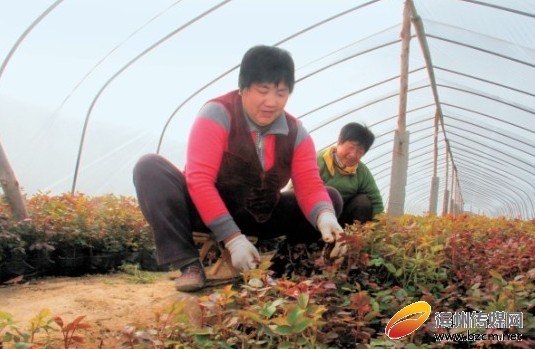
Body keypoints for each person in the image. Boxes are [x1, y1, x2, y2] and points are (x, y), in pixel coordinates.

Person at [133, 45, 346, 292]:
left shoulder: (296, 133)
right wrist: (232, 239)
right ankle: (188, 264)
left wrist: (325, 216)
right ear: (243, 88)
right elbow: (199, 180)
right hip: (207, 211)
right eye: (263, 90)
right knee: (149, 167)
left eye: (281, 93)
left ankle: (280, 270)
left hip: (260, 214)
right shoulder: (218, 113)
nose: (271, 102)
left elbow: (309, 185)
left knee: (330, 199)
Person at [317, 122, 384, 226]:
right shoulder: (318, 160)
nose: (353, 154)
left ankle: (351, 239)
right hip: (316, 215)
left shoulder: (362, 172)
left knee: (364, 202)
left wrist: (380, 231)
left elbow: (376, 202)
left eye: (360, 151)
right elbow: (295, 189)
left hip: (342, 221)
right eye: (351, 147)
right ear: (339, 141)